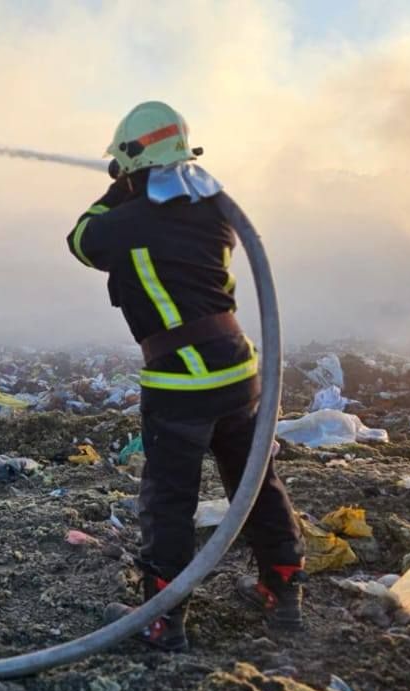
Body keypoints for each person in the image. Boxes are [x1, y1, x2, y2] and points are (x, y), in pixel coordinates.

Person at [66, 101, 305, 651]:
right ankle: (283, 588)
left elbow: (81, 240)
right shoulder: (214, 207)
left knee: (170, 499)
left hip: (181, 379)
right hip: (238, 370)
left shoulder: (126, 221)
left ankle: (162, 618)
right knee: (253, 483)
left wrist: (118, 190)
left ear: (129, 160)